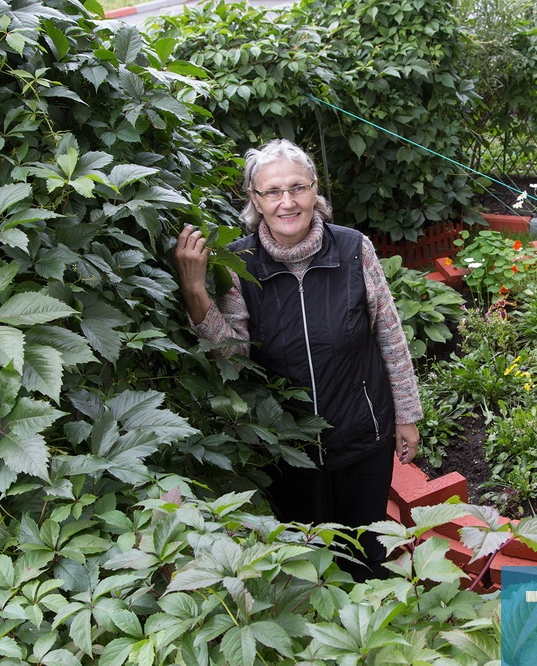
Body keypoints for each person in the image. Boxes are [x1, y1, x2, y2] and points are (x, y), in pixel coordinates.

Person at [173, 138, 422, 581]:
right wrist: (196, 294)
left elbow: (390, 334)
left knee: (367, 552)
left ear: (315, 191)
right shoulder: (240, 263)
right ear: (254, 200)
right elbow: (233, 354)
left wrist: (406, 414)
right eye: (272, 191)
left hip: (363, 434)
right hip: (287, 446)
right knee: (308, 559)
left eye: (298, 187)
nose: (287, 201)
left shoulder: (352, 250)